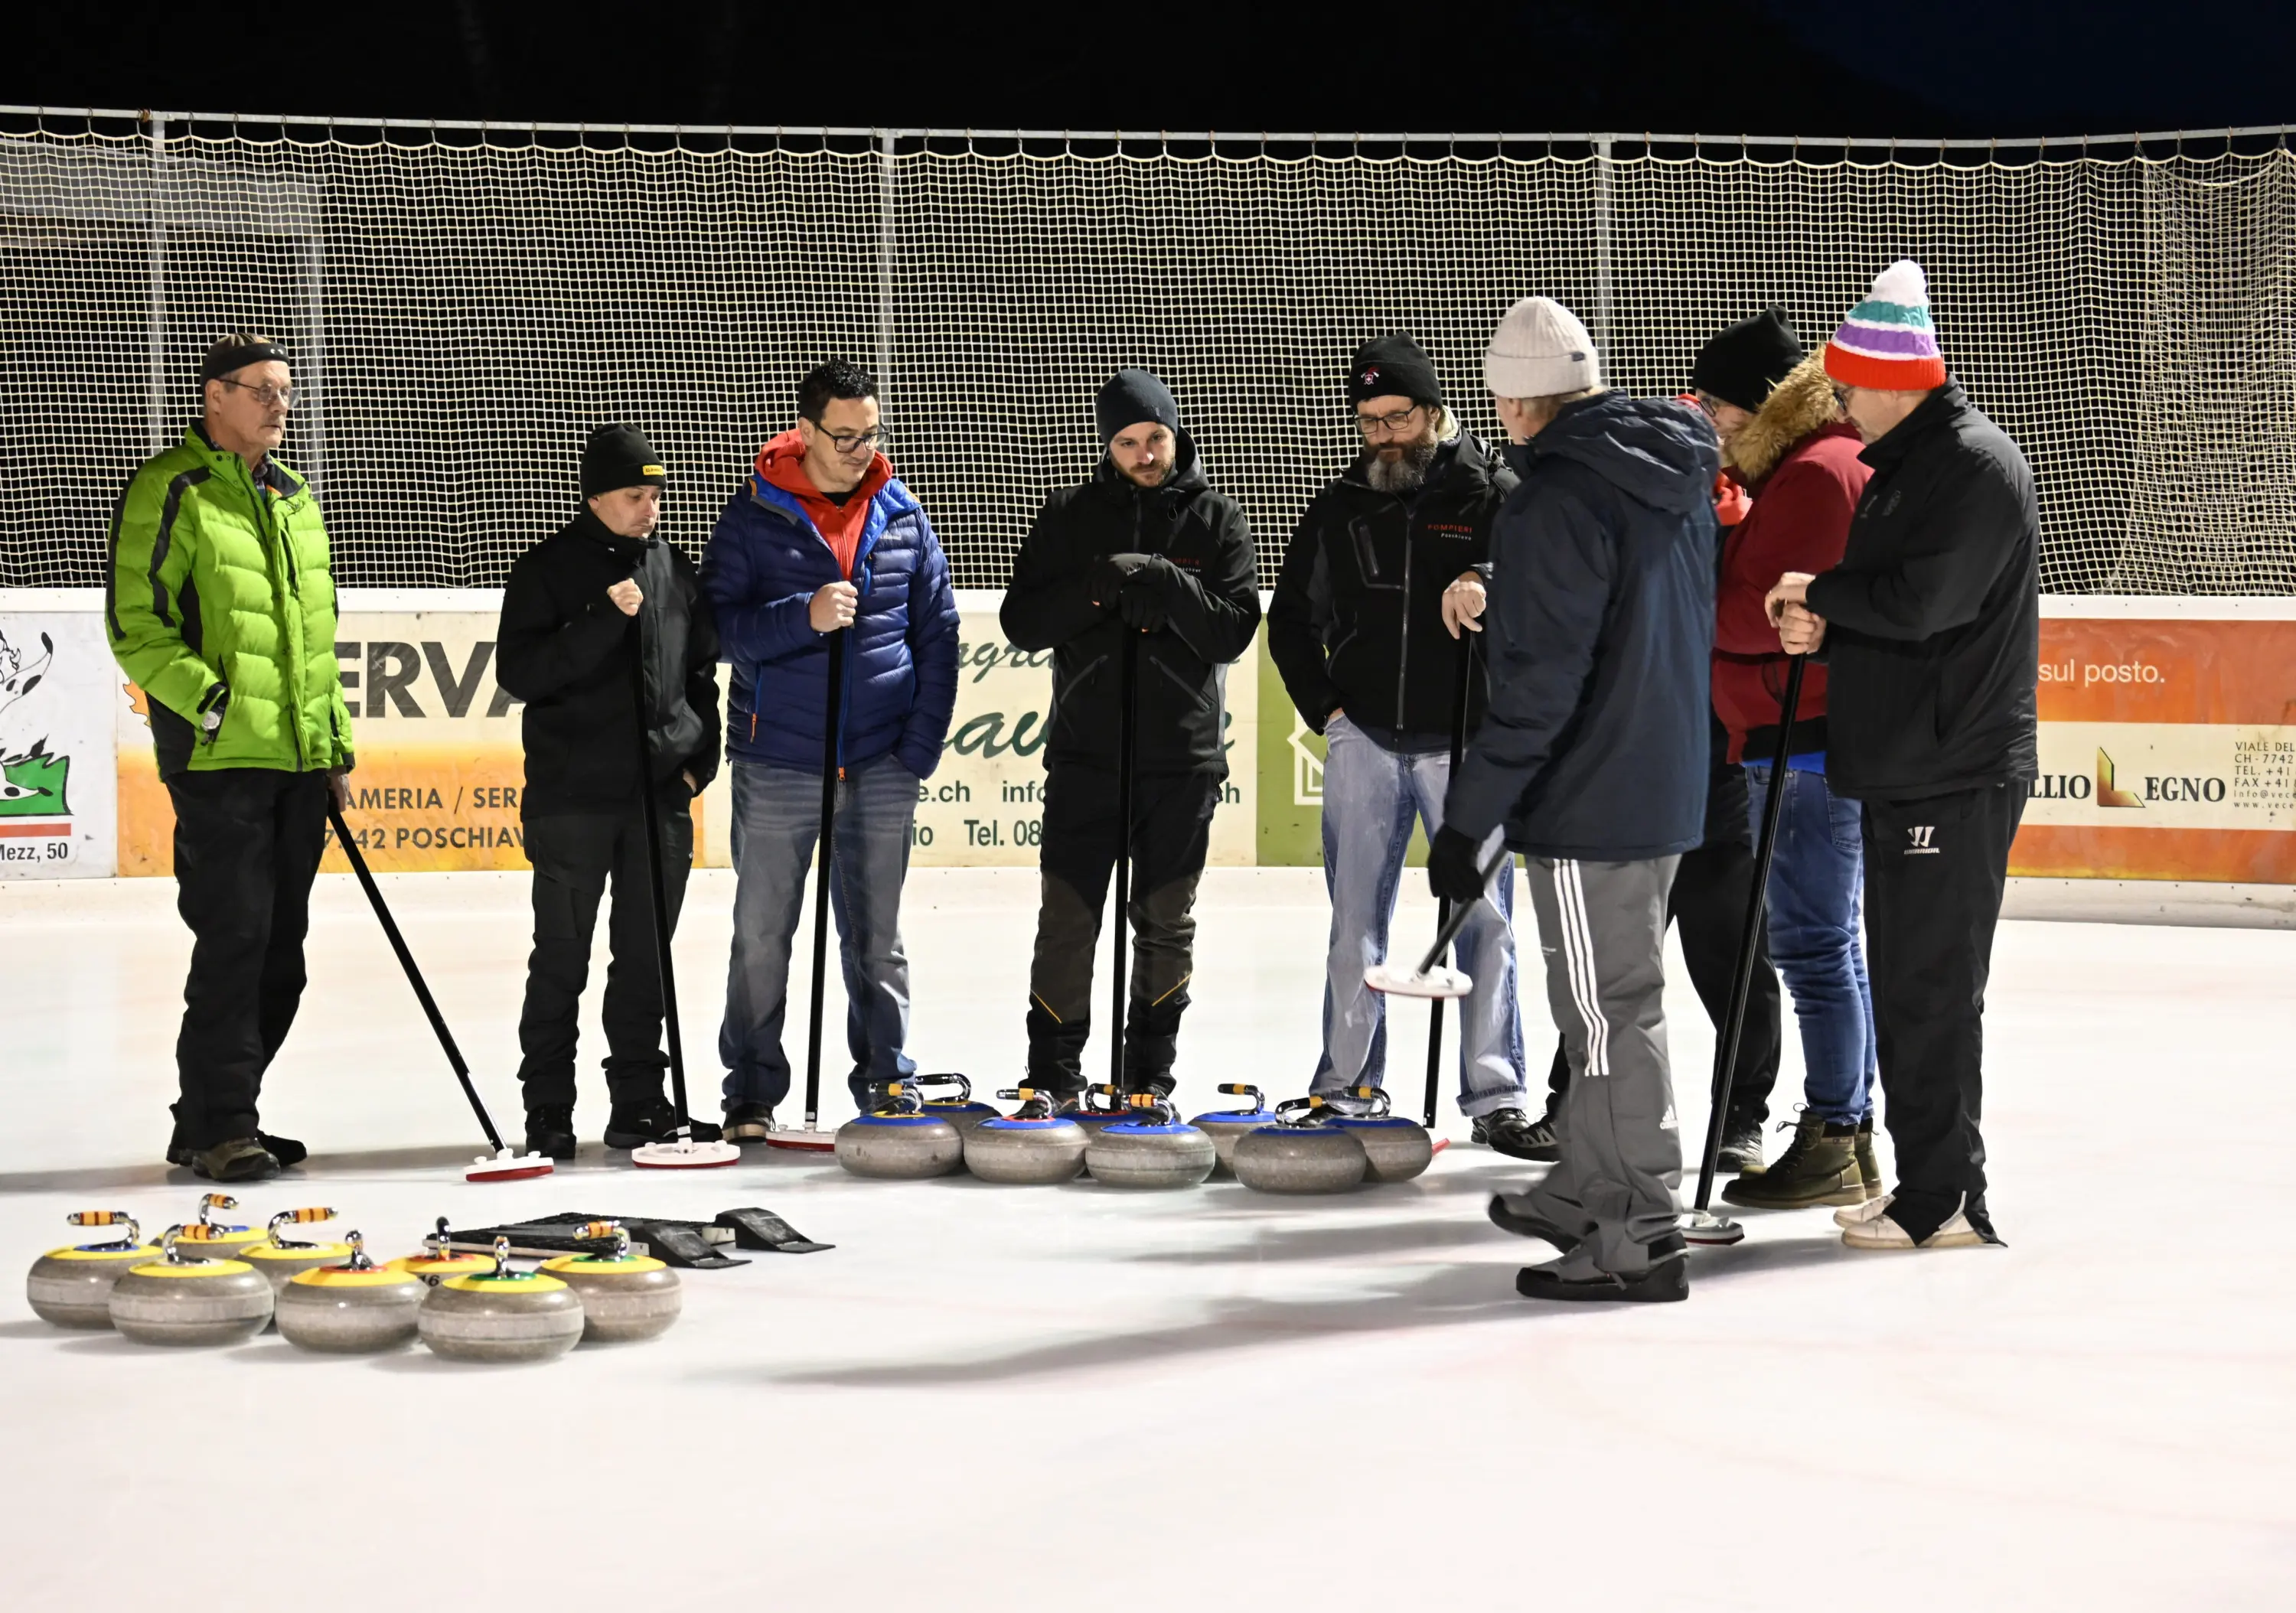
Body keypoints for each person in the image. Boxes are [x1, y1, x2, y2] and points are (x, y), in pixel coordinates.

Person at [1431, 296, 1719, 1303]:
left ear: (1514, 404)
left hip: (1596, 795)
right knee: (1601, 1004)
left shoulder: (1555, 495)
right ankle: (1590, 1183)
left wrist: (1473, 814)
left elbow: (1544, 676)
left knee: (1608, 1015)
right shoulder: (1667, 471)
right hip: (1663, 774)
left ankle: (1640, 1225)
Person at [1767, 259, 2038, 1250]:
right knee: (1908, 977)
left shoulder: (1972, 466)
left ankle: (1946, 1200)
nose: (1840, 402)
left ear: (1893, 380)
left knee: (1929, 985)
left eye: (1846, 386)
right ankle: (1928, 1180)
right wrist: (1825, 621)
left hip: (1951, 770)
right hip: (1906, 763)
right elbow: (1892, 601)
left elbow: (1930, 604)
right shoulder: (1910, 471)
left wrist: (1824, 597)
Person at [1267, 335, 1536, 1152]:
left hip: (1468, 744)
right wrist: (1329, 710)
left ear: (1431, 408)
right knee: (1356, 924)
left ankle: (1496, 1093)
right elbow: (1289, 619)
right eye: (1369, 421)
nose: (1384, 435)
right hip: (1366, 741)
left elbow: (1544, 581)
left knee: (1482, 915)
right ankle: (1346, 1084)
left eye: (1398, 417)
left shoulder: (1494, 488)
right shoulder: (1342, 501)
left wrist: (1486, 576)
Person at [106, 331, 355, 1183]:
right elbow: (135, 626)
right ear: (215, 396)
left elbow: (313, 639)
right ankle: (225, 1125)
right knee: (235, 940)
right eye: (262, 390)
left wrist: (335, 744)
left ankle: (212, 1116)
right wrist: (212, 703)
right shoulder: (168, 488)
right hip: (219, 764)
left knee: (282, 952)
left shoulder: (294, 497)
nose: (280, 404)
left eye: (286, 391)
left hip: (296, 761)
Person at [703, 360, 959, 1139]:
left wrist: (917, 748)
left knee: (878, 939)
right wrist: (802, 615)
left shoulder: (904, 515)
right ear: (806, 430)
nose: (858, 449)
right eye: (842, 436)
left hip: (882, 760)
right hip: (779, 758)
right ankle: (751, 1088)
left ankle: (886, 1078)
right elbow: (716, 629)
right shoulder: (754, 516)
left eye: (869, 434)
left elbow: (939, 637)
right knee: (761, 933)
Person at [1000, 370, 1260, 1109]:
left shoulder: (1216, 520)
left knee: (1165, 921)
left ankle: (1148, 1077)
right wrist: (1096, 587)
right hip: (1086, 759)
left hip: (1181, 765)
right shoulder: (1069, 516)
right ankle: (1052, 1074)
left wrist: (1169, 583)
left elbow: (1235, 630)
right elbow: (1024, 623)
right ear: (1106, 446)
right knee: (1067, 919)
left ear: (1175, 435)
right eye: (1128, 442)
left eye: (1155, 439)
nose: (1145, 455)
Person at [1690, 311, 1883, 1211]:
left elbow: (1762, 610)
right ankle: (1848, 1129)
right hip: (1794, 732)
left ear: (1760, 404)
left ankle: (1837, 1129)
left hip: (1801, 735)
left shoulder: (1814, 473)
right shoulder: (1814, 464)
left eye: (1720, 406)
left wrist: (1704, 587)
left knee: (1811, 941)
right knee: (1825, 940)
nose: (1713, 423)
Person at [494, 423, 722, 1158]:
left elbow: (701, 677)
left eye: (655, 493)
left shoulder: (676, 571)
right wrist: (601, 618)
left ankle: (639, 1105)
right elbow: (520, 675)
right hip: (573, 803)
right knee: (562, 956)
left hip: (659, 801)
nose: (648, 507)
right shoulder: (547, 571)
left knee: (645, 959)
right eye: (633, 495)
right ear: (594, 496)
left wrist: (697, 766)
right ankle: (548, 1114)